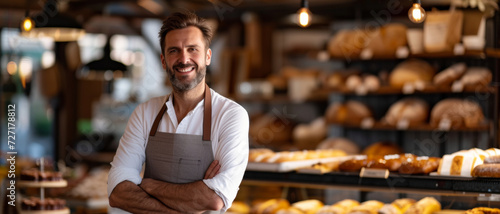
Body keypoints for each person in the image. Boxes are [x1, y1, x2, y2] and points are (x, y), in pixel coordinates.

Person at [107, 11, 249, 214]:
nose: (184, 59)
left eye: (193, 49)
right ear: (164, 61)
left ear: (207, 56)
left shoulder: (230, 115)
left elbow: (215, 199)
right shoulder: (145, 113)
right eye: (174, 51)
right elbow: (118, 193)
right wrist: (189, 201)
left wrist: (147, 185)